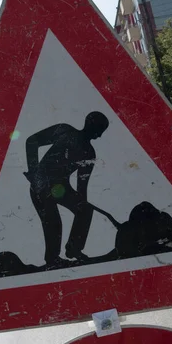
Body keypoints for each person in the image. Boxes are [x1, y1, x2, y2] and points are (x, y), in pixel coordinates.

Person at [24, 111, 109, 266]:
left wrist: (83, 202)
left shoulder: (89, 153)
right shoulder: (64, 130)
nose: (99, 136)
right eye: (99, 131)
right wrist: (34, 172)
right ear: (91, 125)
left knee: (85, 209)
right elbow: (32, 141)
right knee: (53, 221)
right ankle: (52, 259)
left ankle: (74, 249)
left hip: (60, 188)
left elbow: (82, 186)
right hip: (41, 184)